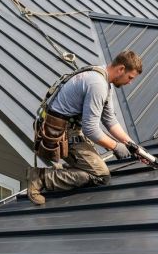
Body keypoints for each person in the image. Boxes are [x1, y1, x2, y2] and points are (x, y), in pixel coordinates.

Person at [26, 50, 145, 205]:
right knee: (101, 176)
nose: (130, 82)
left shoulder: (101, 77)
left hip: (66, 128)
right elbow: (91, 129)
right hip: (60, 131)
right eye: (130, 78)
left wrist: (132, 146)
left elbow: (110, 121)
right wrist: (116, 146)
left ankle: (68, 168)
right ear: (121, 69)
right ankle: (40, 178)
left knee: (92, 166)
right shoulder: (97, 84)